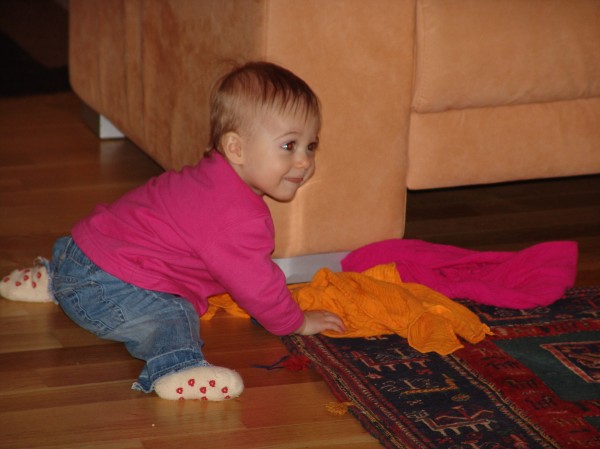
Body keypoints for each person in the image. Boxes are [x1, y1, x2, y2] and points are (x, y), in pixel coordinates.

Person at [0, 61, 346, 401]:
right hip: (104, 288)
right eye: (289, 146)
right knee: (173, 314)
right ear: (236, 149)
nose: (304, 161)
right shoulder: (238, 216)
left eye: (311, 146)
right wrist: (296, 322)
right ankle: (176, 367)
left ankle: (54, 279)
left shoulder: (206, 177)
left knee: (124, 268)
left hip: (77, 253)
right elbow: (257, 286)